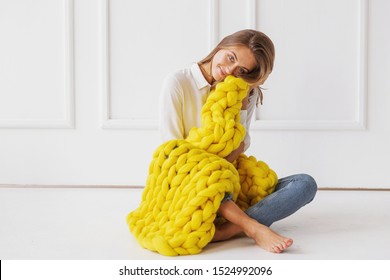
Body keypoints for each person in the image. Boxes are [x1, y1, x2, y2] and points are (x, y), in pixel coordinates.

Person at [158, 29, 317, 253]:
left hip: (226, 178)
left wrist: (241, 106)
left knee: (305, 184)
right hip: (187, 180)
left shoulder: (243, 92)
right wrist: (213, 170)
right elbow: (170, 151)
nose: (229, 71)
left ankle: (225, 230)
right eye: (231, 58)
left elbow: (241, 144)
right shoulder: (178, 82)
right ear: (222, 46)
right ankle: (253, 227)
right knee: (211, 178)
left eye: (241, 70)